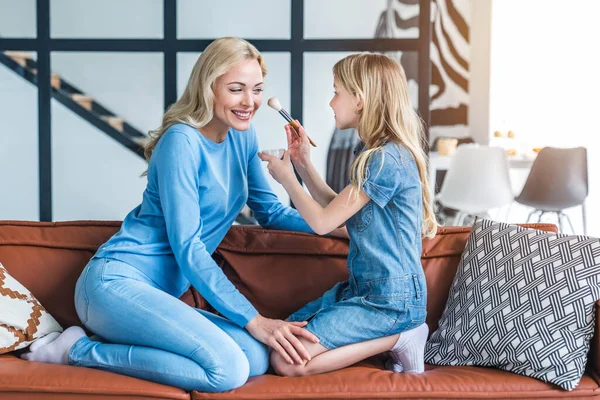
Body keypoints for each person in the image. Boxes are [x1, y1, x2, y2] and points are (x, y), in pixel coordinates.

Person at [19, 37, 320, 392]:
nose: (249, 102)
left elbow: (270, 212)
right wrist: (253, 319)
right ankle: (77, 349)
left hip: (157, 297)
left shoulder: (243, 137)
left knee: (254, 357)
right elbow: (189, 247)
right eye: (236, 89)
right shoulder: (182, 141)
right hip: (114, 284)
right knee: (228, 370)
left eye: (256, 90)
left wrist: (346, 229)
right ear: (208, 88)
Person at [258, 53, 438, 377]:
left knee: (286, 361)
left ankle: (401, 337)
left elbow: (323, 223)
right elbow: (337, 213)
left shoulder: (384, 160)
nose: (331, 102)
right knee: (283, 335)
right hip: (364, 291)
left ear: (361, 99)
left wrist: (287, 179)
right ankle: (398, 335)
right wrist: (302, 164)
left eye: (336, 91)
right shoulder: (373, 154)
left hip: (390, 301)